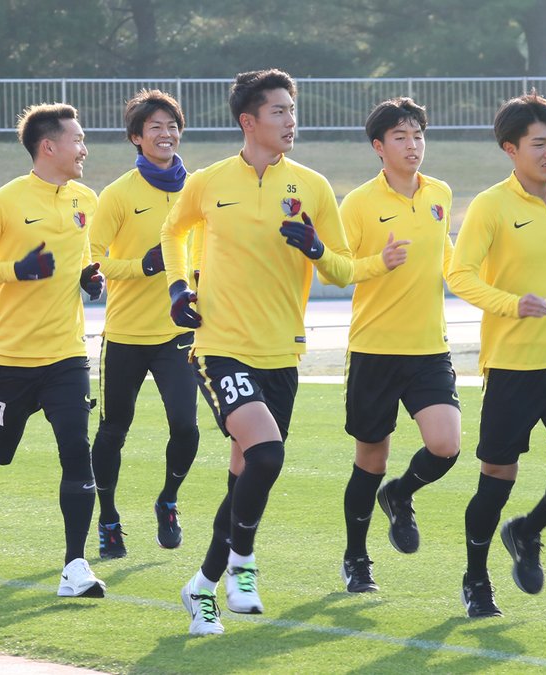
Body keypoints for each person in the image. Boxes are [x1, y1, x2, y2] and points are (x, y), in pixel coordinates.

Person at [161, 68, 400, 636]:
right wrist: (177, 288)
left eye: (292, 110)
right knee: (265, 455)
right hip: (220, 347)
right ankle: (227, 571)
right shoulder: (210, 181)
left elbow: (341, 269)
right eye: (279, 111)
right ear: (249, 121)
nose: (291, 120)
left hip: (282, 352)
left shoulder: (313, 186)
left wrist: (317, 247)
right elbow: (173, 232)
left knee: (247, 471)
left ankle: (218, 575)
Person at [446, 91, 546, 618]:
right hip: (511, 368)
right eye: (539, 143)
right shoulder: (491, 206)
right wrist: (512, 304)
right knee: (495, 483)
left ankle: (528, 530)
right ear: (510, 149)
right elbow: (459, 275)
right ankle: (475, 580)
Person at [0, 103, 108, 598]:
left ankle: (74, 566)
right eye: (77, 140)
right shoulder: (5, 201)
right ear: (48, 147)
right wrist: (16, 270)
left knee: (76, 455)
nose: (84, 149)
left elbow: (83, 257)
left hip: (66, 356)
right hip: (9, 360)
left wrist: (89, 277)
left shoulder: (87, 198)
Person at [337, 97, 460, 593]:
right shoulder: (359, 203)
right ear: (378, 147)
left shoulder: (440, 194)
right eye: (401, 138)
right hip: (375, 350)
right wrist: (377, 263)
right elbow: (339, 269)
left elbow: (449, 259)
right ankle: (356, 558)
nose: (413, 146)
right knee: (371, 460)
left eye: (418, 136)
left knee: (446, 445)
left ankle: (401, 495)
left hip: (429, 348)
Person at [88, 90, 200, 560]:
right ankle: (108, 518)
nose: (166, 134)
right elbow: (90, 262)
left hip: (178, 333)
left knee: (187, 429)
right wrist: (143, 267)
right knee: (114, 429)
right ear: (137, 138)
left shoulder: (199, 188)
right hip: (126, 335)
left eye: (172, 126)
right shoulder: (117, 194)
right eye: (155, 127)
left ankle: (168, 500)